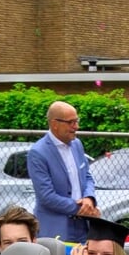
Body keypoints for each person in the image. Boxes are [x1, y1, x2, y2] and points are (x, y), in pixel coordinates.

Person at [26, 101, 98, 242]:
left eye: (77, 121)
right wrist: (81, 208)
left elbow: (87, 176)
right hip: (57, 228)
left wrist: (89, 198)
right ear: (54, 124)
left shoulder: (77, 144)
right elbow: (46, 196)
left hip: (83, 225)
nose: (76, 127)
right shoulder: (38, 153)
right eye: (71, 122)